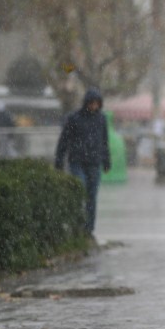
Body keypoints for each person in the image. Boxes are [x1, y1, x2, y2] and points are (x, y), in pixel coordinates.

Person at [55, 89, 111, 234]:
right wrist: (59, 160)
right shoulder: (74, 118)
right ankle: (77, 224)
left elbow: (104, 141)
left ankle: (89, 228)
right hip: (77, 161)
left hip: (94, 162)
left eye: (97, 103)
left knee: (92, 195)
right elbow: (64, 140)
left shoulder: (101, 119)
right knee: (80, 189)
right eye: (92, 103)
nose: (94, 106)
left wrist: (106, 160)